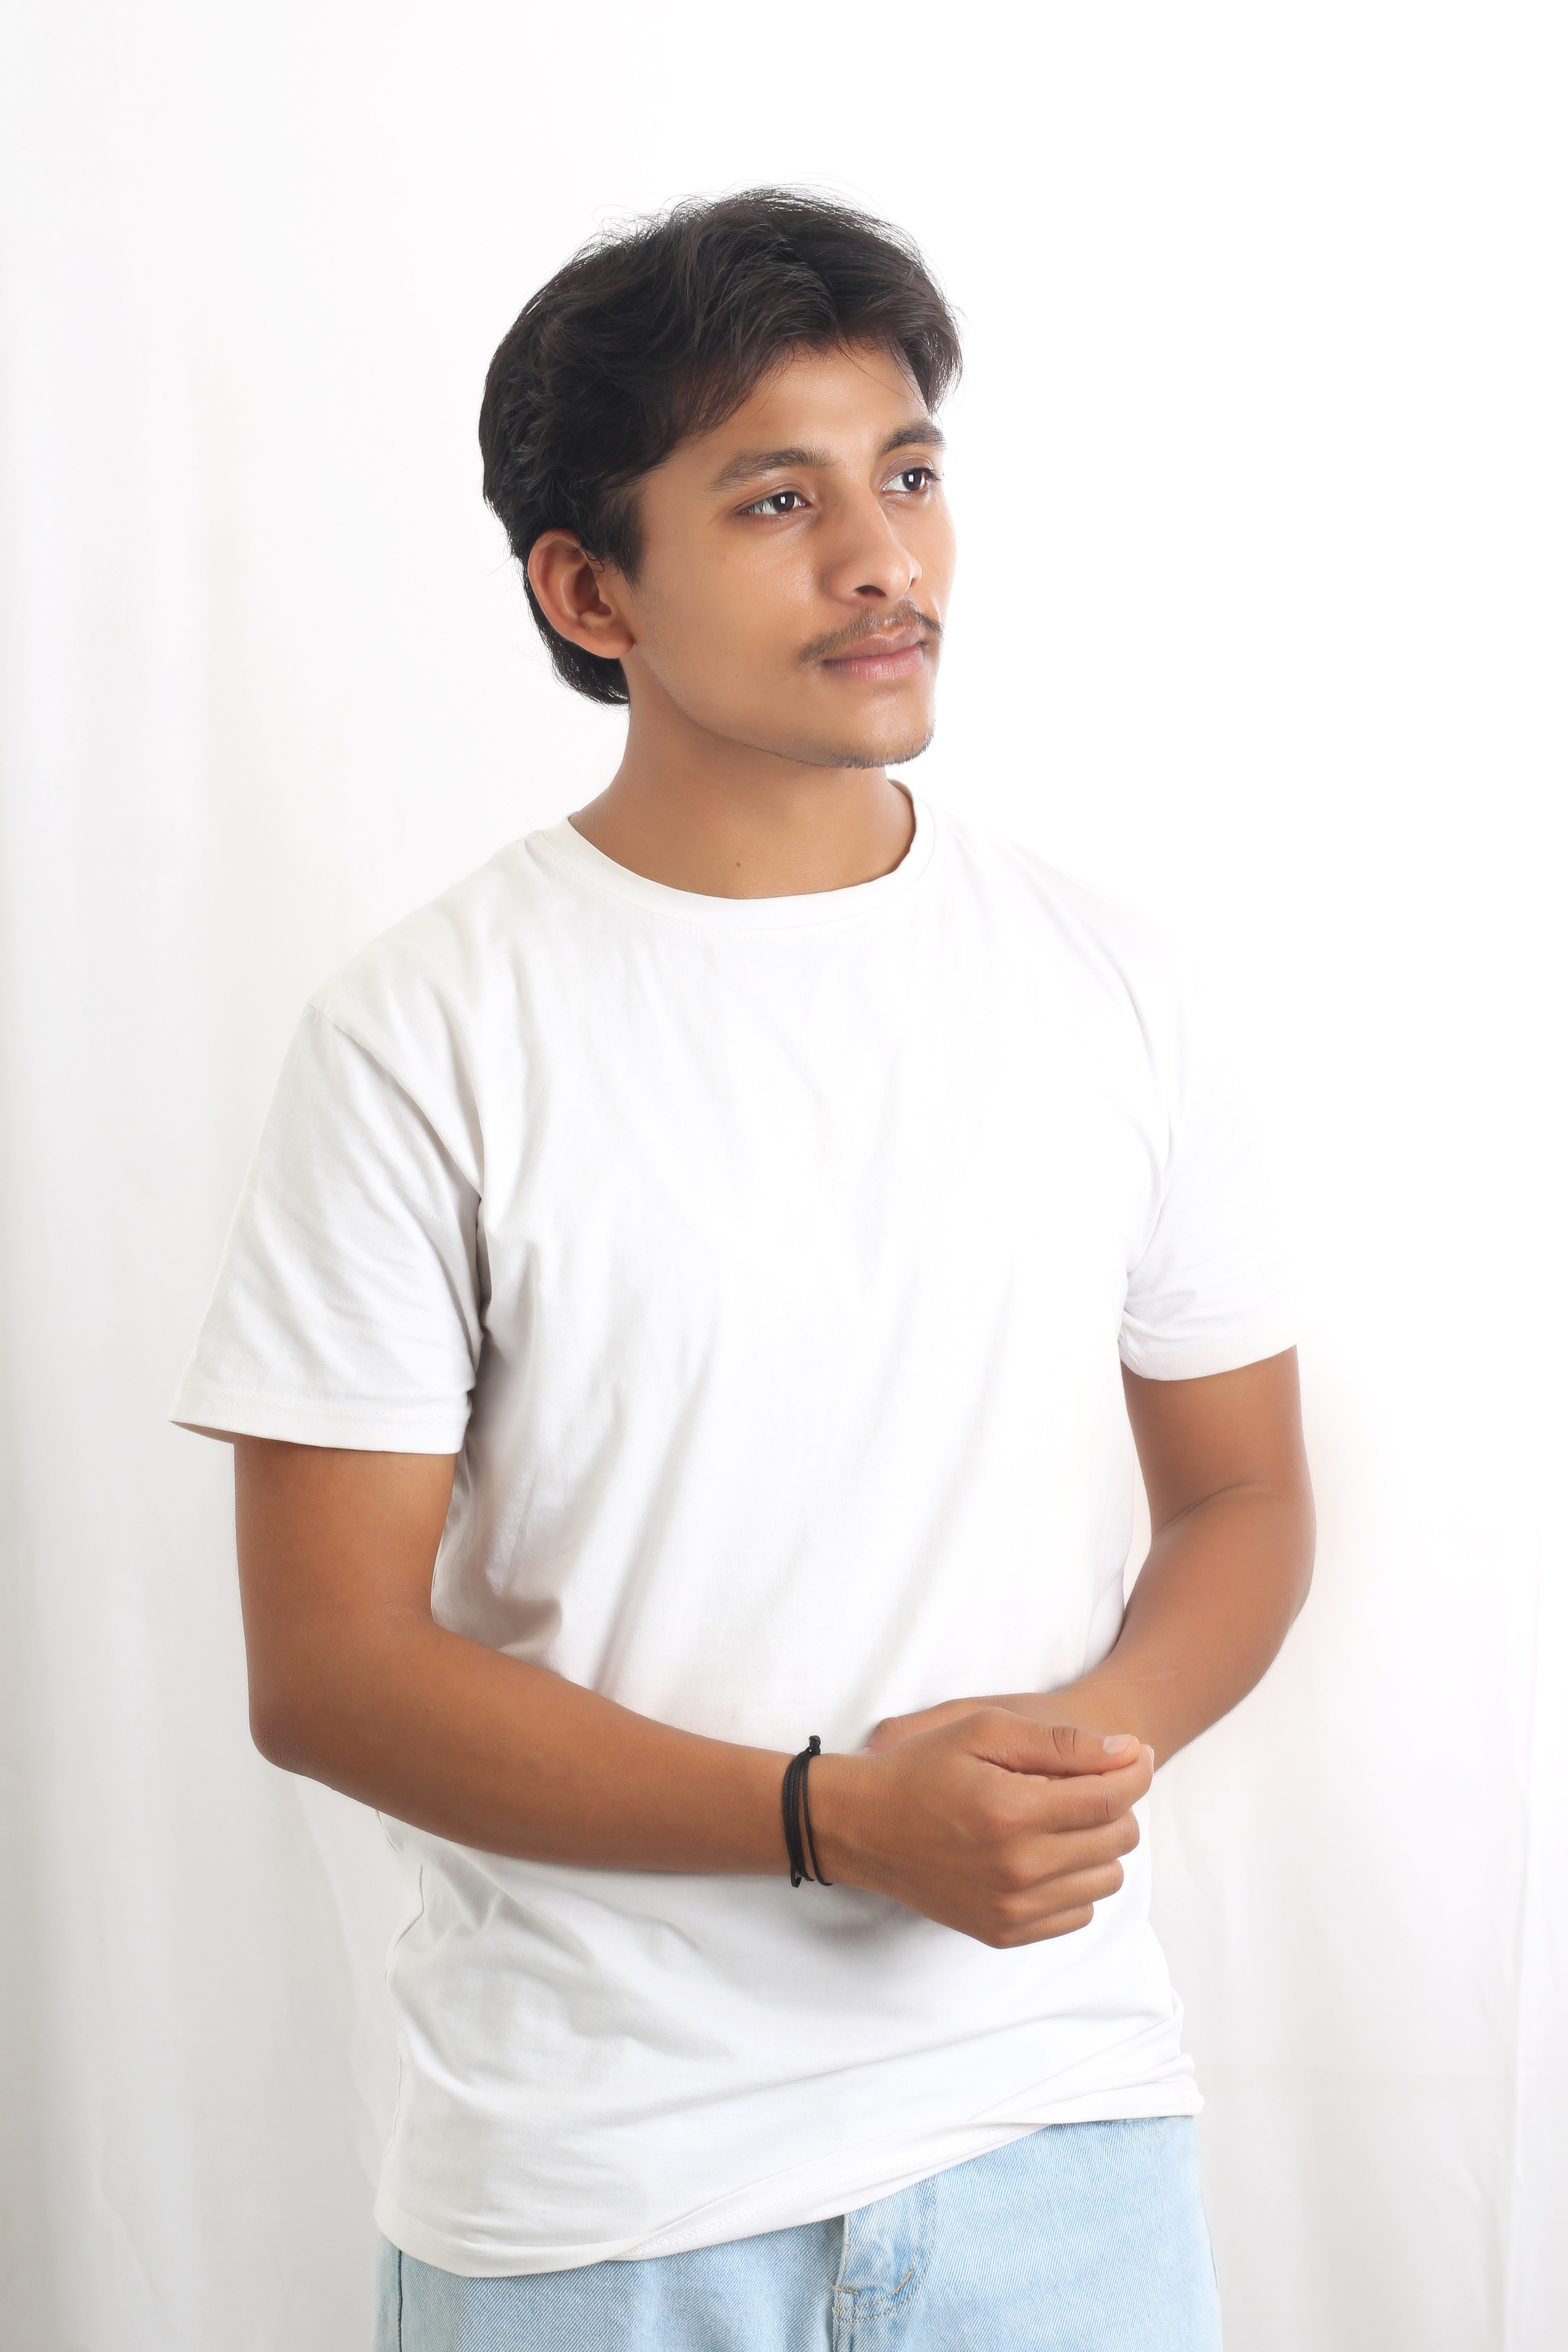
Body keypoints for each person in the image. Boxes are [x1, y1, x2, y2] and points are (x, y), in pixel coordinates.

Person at [173, 190, 1313, 2351]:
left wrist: (1078, 1754)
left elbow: (1246, 1495)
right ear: (588, 589)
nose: (884, 558)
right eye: (779, 500)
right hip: (603, 2201)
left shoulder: (1118, 990)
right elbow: (326, 1667)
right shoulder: (423, 1034)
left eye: (910, 475)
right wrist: (838, 1823)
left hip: (1060, 2151)